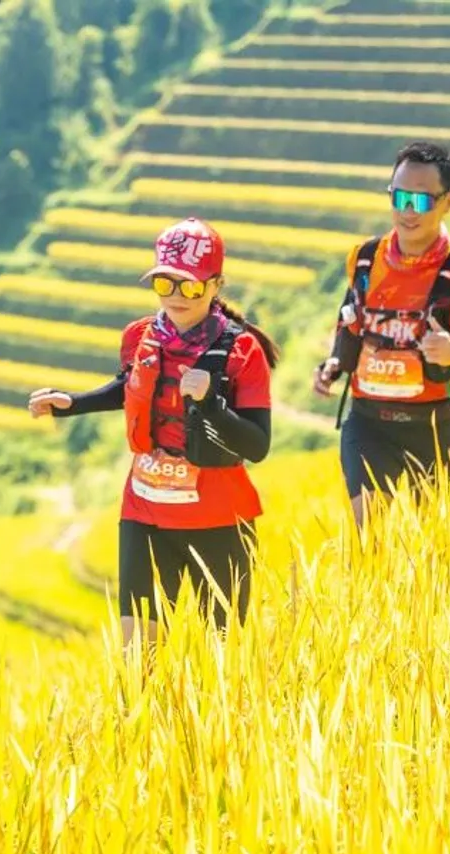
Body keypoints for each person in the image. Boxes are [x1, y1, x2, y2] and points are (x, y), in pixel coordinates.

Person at [27, 217, 277, 643]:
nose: (176, 297)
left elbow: (257, 444)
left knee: (221, 656)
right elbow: (132, 387)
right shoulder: (140, 335)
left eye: (191, 286)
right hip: (144, 510)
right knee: (138, 657)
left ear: (216, 285)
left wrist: (211, 405)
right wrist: (73, 403)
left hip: (218, 518)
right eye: (165, 284)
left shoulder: (240, 350)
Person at [313, 141, 450, 529]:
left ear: (449, 202)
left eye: (422, 201)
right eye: (400, 197)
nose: (408, 212)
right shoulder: (364, 258)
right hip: (368, 424)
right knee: (368, 546)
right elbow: (351, 323)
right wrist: (334, 365)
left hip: (434, 429)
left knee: (438, 555)